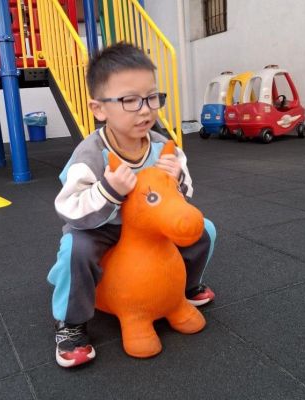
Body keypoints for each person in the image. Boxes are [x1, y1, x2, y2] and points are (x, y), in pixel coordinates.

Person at [47, 42, 216, 368]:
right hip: (102, 227)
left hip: (151, 229)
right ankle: (71, 323)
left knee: (204, 230)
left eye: (152, 97)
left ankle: (185, 286)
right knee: (74, 250)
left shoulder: (163, 147)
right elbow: (69, 207)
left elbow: (182, 198)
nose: (145, 110)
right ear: (99, 109)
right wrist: (108, 190)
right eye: (130, 100)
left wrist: (177, 178)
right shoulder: (90, 155)